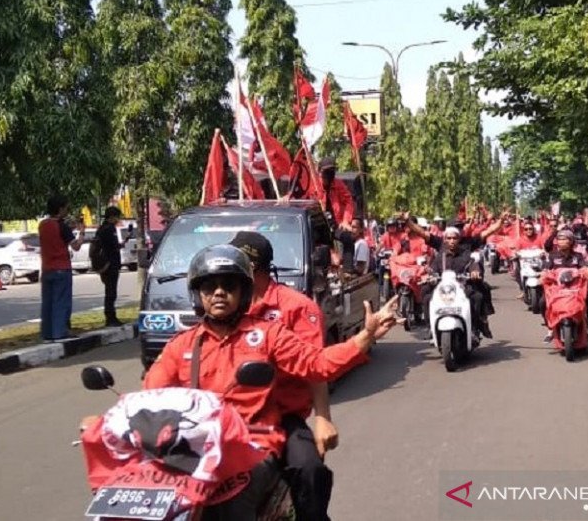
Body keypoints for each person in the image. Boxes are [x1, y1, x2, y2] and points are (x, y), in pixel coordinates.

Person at [143, 244, 399, 521]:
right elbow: (147, 397)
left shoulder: (267, 335)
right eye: (209, 287)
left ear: (242, 292)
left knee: (233, 494)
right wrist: (104, 423)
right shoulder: (181, 345)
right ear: (198, 294)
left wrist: (366, 336)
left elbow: (317, 364)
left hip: (251, 444)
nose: (219, 292)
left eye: (228, 285)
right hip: (194, 446)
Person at [230, 232, 336, 521]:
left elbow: (314, 366)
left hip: (281, 415)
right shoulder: (225, 306)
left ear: (252, 268)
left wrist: (323, 417)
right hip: (227, 416)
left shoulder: (296, 307)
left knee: (309, 470)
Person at [419, 226, 492, 339]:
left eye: (454, 238)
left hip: (462, 287)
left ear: (459, 239)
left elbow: (474, 265)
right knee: (427, 296)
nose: (452, 241)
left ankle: (474, 327)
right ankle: (430, 327)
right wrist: (429, 276)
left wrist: (474, 272)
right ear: (445, 239)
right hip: (444, 288)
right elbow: (433, 270)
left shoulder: (466, 254)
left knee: (477, 297)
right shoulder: (440, 257)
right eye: (449, 238)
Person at [38, 195, 85, 341]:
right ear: (60, 209)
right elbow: (76, 246)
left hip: (47, 268)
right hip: (61, 267)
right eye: (66, 208)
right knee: (61, 301)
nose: (67, 211)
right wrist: (81, 232)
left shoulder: (43, 225)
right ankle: (60, 332)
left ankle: (47, 333)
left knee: (47, 302)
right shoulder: (62, 226)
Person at [540, 230, 588, 342]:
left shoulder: (578, 256)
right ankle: (550, 327)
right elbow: (546, 268)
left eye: (564, 239)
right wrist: (543, 275)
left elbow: (584, 267)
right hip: (557, 288)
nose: (561, 242)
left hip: (575, 287)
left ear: (571, 241)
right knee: (543, 302)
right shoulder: (552, 255)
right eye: (559, 239)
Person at [96, 206, 124, 327]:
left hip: (106, 264)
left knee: (110, 291)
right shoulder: (108, 229)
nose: (118, 220)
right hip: (110, 264)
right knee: (111, 292)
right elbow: (111, 247)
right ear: (112, 217)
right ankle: (110, 317)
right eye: (117, 217)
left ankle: (111, 316)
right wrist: (118, 246)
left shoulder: (101, 228)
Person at [318, 158, 354, 230]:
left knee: (349, 238)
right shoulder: (313, 185)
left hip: (337, 225)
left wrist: (346, 221)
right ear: (319, 172)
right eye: (326, 172)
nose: (328, 175)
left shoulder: (338, 184)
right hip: (318, 226)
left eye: (331, 171)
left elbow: (349, 202)